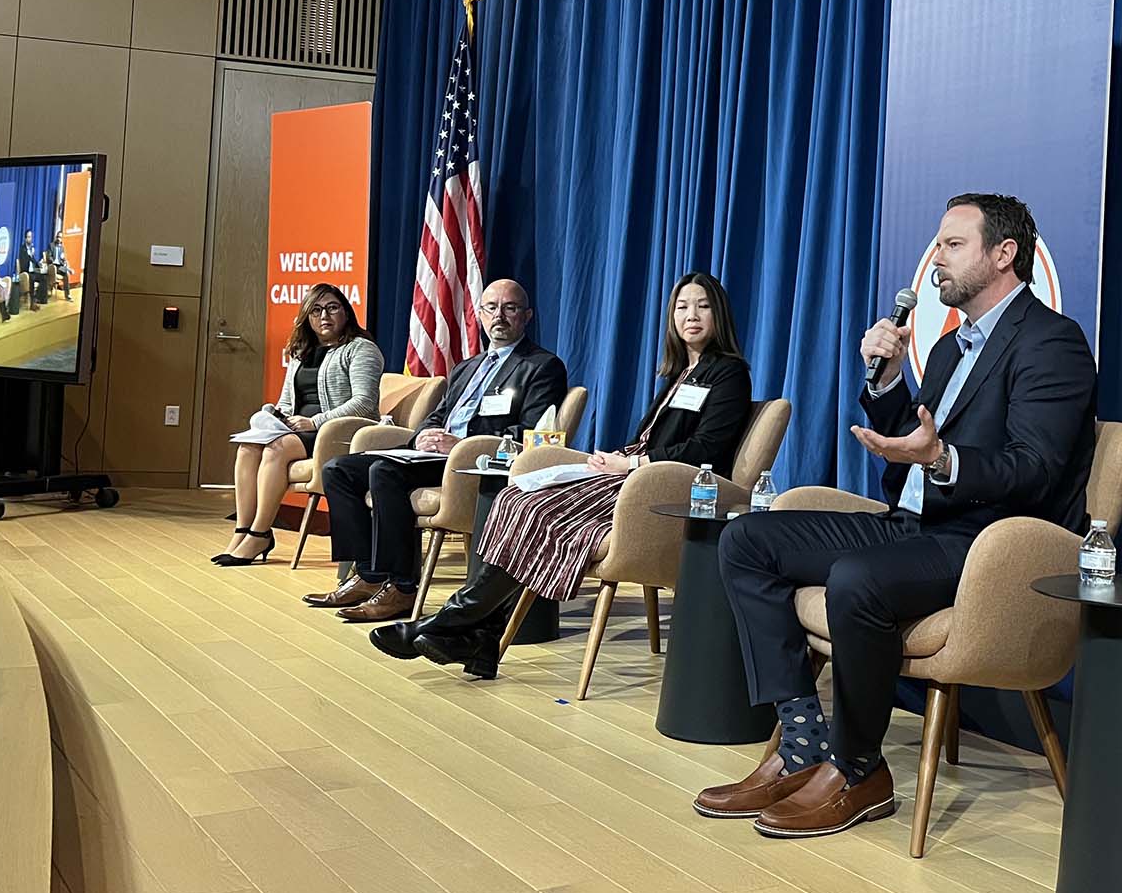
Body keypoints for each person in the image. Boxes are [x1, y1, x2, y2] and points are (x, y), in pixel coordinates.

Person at [698, 193, 1097, 838]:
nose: (935, 257)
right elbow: (904, 451)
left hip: (985, 539)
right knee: (747, 538)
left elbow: (1037, 468)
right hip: (909, 521)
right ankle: (802, 741)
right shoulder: (944, 350)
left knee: (859, 577)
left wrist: (943, 459)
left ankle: (859, 771)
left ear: (1004, 255)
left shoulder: (1053, 342)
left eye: (952, 244)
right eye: (938, 244)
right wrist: (884, 384)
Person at [370, 272, 754, 677]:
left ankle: (452, 623)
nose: (690, 315)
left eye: (702, 306)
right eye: (681, 306)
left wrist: (632, 464)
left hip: (671, 489)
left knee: (539, 510)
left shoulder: (728, 373)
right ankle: (478, 636)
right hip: (634, 474)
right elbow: (652, 437)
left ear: (719, 314)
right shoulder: (679, 374)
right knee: (514, 498)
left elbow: (704, 450)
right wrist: (618, 457)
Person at [309, 279, 568, 623]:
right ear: (479, 314)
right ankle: (369, 575)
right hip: (430, 455)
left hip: (473, 462)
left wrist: (460, 445)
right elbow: (438, 415)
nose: (499, 316)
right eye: (491, 308)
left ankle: (401, 588)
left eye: (510, 308)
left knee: (383, 473)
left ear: (527, 316)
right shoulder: (467, 367)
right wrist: (422, 437)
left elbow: (533, 432)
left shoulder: (541, 366)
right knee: (338, 469)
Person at [212, 283, 383, 566]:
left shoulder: (361, 348)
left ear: (346, 312)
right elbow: (287, 402)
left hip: (337, 432)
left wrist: (313, 421)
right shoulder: (301, 351)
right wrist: (274, 414)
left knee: (276, 449)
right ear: (307, 317)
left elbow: (364, 403)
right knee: (247, 447)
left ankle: (260, 533)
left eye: (332, 308)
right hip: (297, 429)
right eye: (316, 310)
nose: (324, 316)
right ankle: (243, 530)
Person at [50, 232, 72, 302]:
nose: (59, 239)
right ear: (56, 237)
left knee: (66, 276)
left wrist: (64, 261)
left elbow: (62, 258)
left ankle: (67, 295)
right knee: (62, 269)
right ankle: (68, 269)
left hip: (59, 266)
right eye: (58, 237)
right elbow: (49, 256)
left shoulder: (62, 248)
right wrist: (52, 261)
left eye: (60, 237)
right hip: (53, 265)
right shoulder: (51, 245)